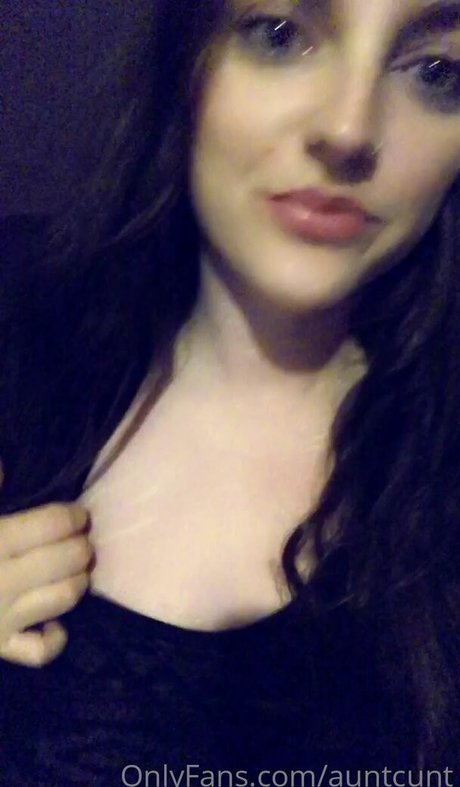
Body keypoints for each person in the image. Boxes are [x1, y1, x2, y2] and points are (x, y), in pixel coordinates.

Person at [1, 0, 460, 782]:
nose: (349, 129)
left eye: (439, 71)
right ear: (186, 58)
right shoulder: (19, 329)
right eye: (280, 35)